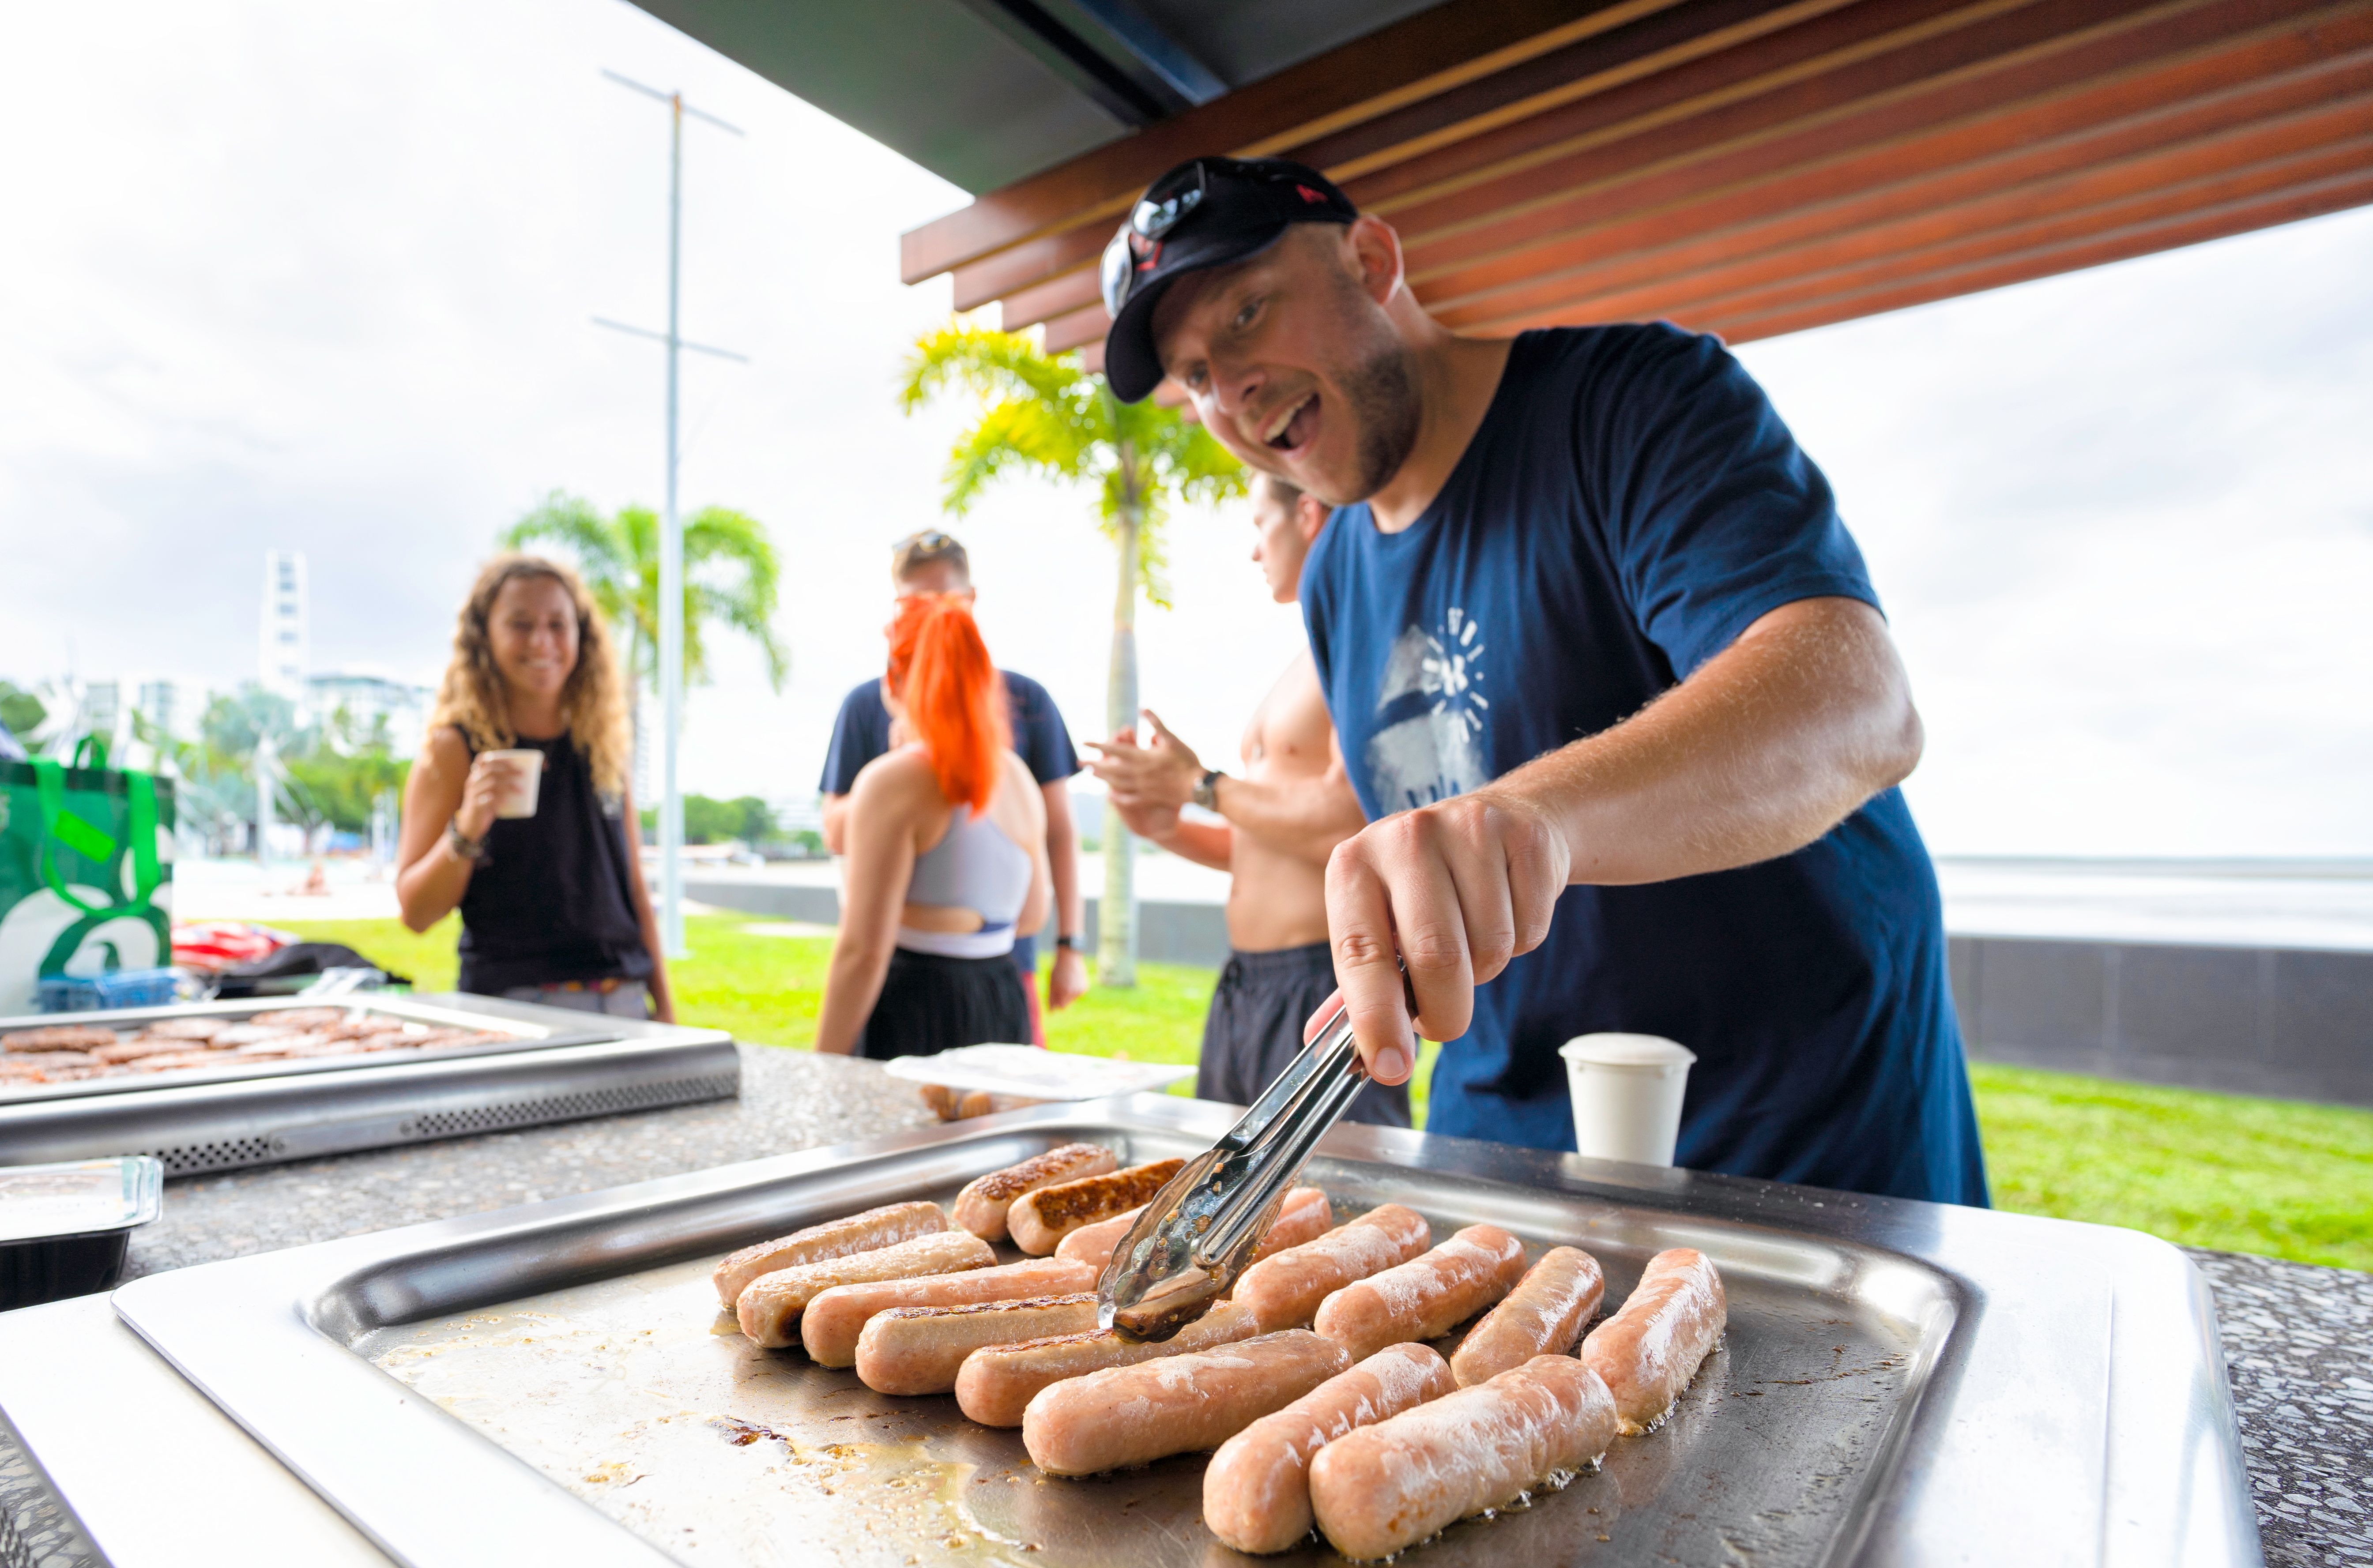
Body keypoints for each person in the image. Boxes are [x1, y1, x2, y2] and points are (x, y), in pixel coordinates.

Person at [1096, 155, 1983, 1205]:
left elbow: (1854, 704)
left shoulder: (1633, 402)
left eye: (1248, 311)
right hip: (1500, 1164)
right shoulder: (1336, 571)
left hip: (1799, 1155)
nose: (1230, 389)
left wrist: (1533, 818)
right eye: (1195, 373)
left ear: (1372, 261)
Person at [1084, 474, 1406, 1126]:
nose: (1254, 552)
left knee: (1333, 1204)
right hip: (1247, 986)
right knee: (1218, 1206)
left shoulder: (1367, 644)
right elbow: (1271, 850)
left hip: (1321, 980)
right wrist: (1169, 826)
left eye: (1261, 525)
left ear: (1310, 513)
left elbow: (1348, 821)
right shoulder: (1309, 656)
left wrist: (1202, 786)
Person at [821, 530, 1086, 1036]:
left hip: (922, 995)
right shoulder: (1015, 775)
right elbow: (1028, 910)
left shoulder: (897, 778)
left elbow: (863, 947)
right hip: (996, 981)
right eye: (915, 604)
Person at [397, 553, 674, 1020]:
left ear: (580, 635)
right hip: (514, 1005)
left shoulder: (602, 740)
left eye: (557, 624)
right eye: (520, 624)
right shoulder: (454, 748)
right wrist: (468, 825)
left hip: (622, 998)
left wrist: (665, 1009)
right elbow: (416, 913)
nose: (541, 641)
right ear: (485, 636)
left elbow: (633, 888)